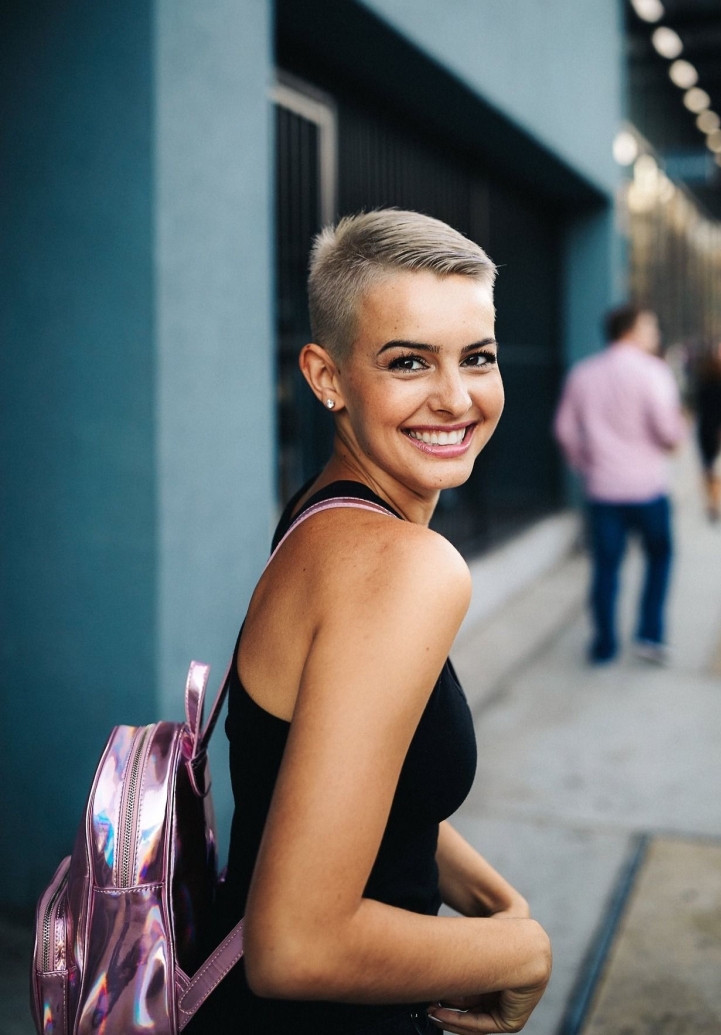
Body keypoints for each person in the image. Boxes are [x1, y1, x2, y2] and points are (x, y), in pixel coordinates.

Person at [190, 210, 551, 1035]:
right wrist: (522, 950)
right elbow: (296, 946)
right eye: (408, 361)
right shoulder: (405, 567)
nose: (456, 397)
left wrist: (492, 899)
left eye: (479, 357)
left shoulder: (319, 519)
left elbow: (347, 777)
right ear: (327, 376)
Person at [554, 304, 685, 665]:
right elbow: (668, 431)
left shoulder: (583, 374)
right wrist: (675, 439)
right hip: (648, 489)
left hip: (603, 490)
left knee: (605, 567)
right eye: (651, 326)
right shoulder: (654, 372)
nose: (655, 334)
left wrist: (587, 464)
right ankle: (649, 635)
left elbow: (564, 430)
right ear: (632, 330)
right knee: (659, 558)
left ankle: (604, 644)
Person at [693, 354, 721, 521]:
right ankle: (716, 501)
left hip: (705, 432)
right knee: (719, 468)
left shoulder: (702, 388)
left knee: (707, 467)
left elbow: (698, 410)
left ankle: (711, 500)